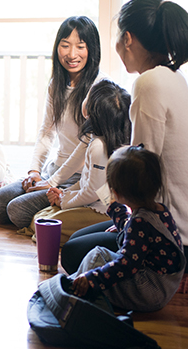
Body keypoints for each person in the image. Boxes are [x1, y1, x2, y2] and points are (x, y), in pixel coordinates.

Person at [62, 0, 188, 275]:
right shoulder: (174, 77)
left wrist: (116, 206)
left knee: (73, 253)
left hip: (180, 243)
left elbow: (139, 177)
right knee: (79, 240)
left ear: (127, 39)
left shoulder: (148, 83)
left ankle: (181, 280)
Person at [0, 16, 102, 228]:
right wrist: (35, 172)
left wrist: (51, 183)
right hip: (53, 170)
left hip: (78, 180)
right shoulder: (56, 83)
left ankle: (63, 206)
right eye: (65, 45)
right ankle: (47, 208)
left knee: (16, 210)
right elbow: (46, 132)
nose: (71, 54)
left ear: (92, 49)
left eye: (80, 46)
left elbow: (87, 145)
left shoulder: (99, 87)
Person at [69, 145, 185, 312]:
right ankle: (75, 283)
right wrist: (122, 219)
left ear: (115, 192)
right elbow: (132, 229)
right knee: (101, 260)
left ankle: (72, 290)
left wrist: (93, 278)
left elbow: (127, 264)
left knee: (97, 255)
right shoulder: (159, 211)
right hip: (164, 286)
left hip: (149, 292)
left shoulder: (139, 223)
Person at [35, 79, 131, 246]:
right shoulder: (99, 138)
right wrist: (63, 194)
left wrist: (64, 201)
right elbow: (88, 182)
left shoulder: (98, 146)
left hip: (103, 209)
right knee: (42, 216)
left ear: (91, 112)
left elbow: (91, 192)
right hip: (97, 202)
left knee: (41, 223)